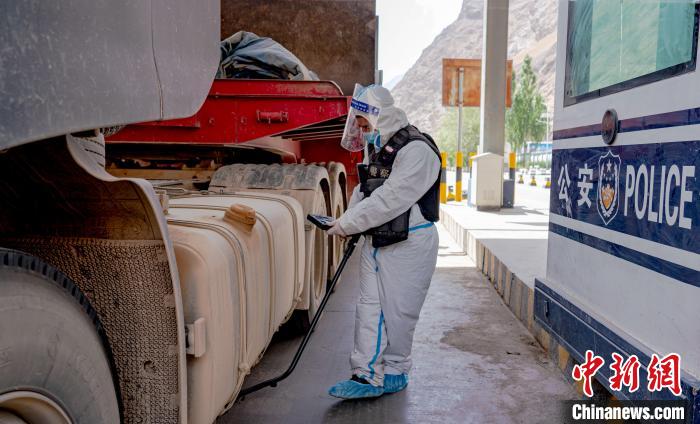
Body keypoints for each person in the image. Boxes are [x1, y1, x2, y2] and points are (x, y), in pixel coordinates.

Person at [326, 84, 441, 399]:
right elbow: (366, 191)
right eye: (359, 125)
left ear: (381, 115)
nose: (362, 131)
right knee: (369, 308)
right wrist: (344, 220)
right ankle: (365, 375)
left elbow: (391, 198)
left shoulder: (418, 150)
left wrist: (348, 224)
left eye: (365, 123)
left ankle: (396, 370)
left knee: (399, 314)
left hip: (410, 244)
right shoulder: (379, 147)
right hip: (377, 240)